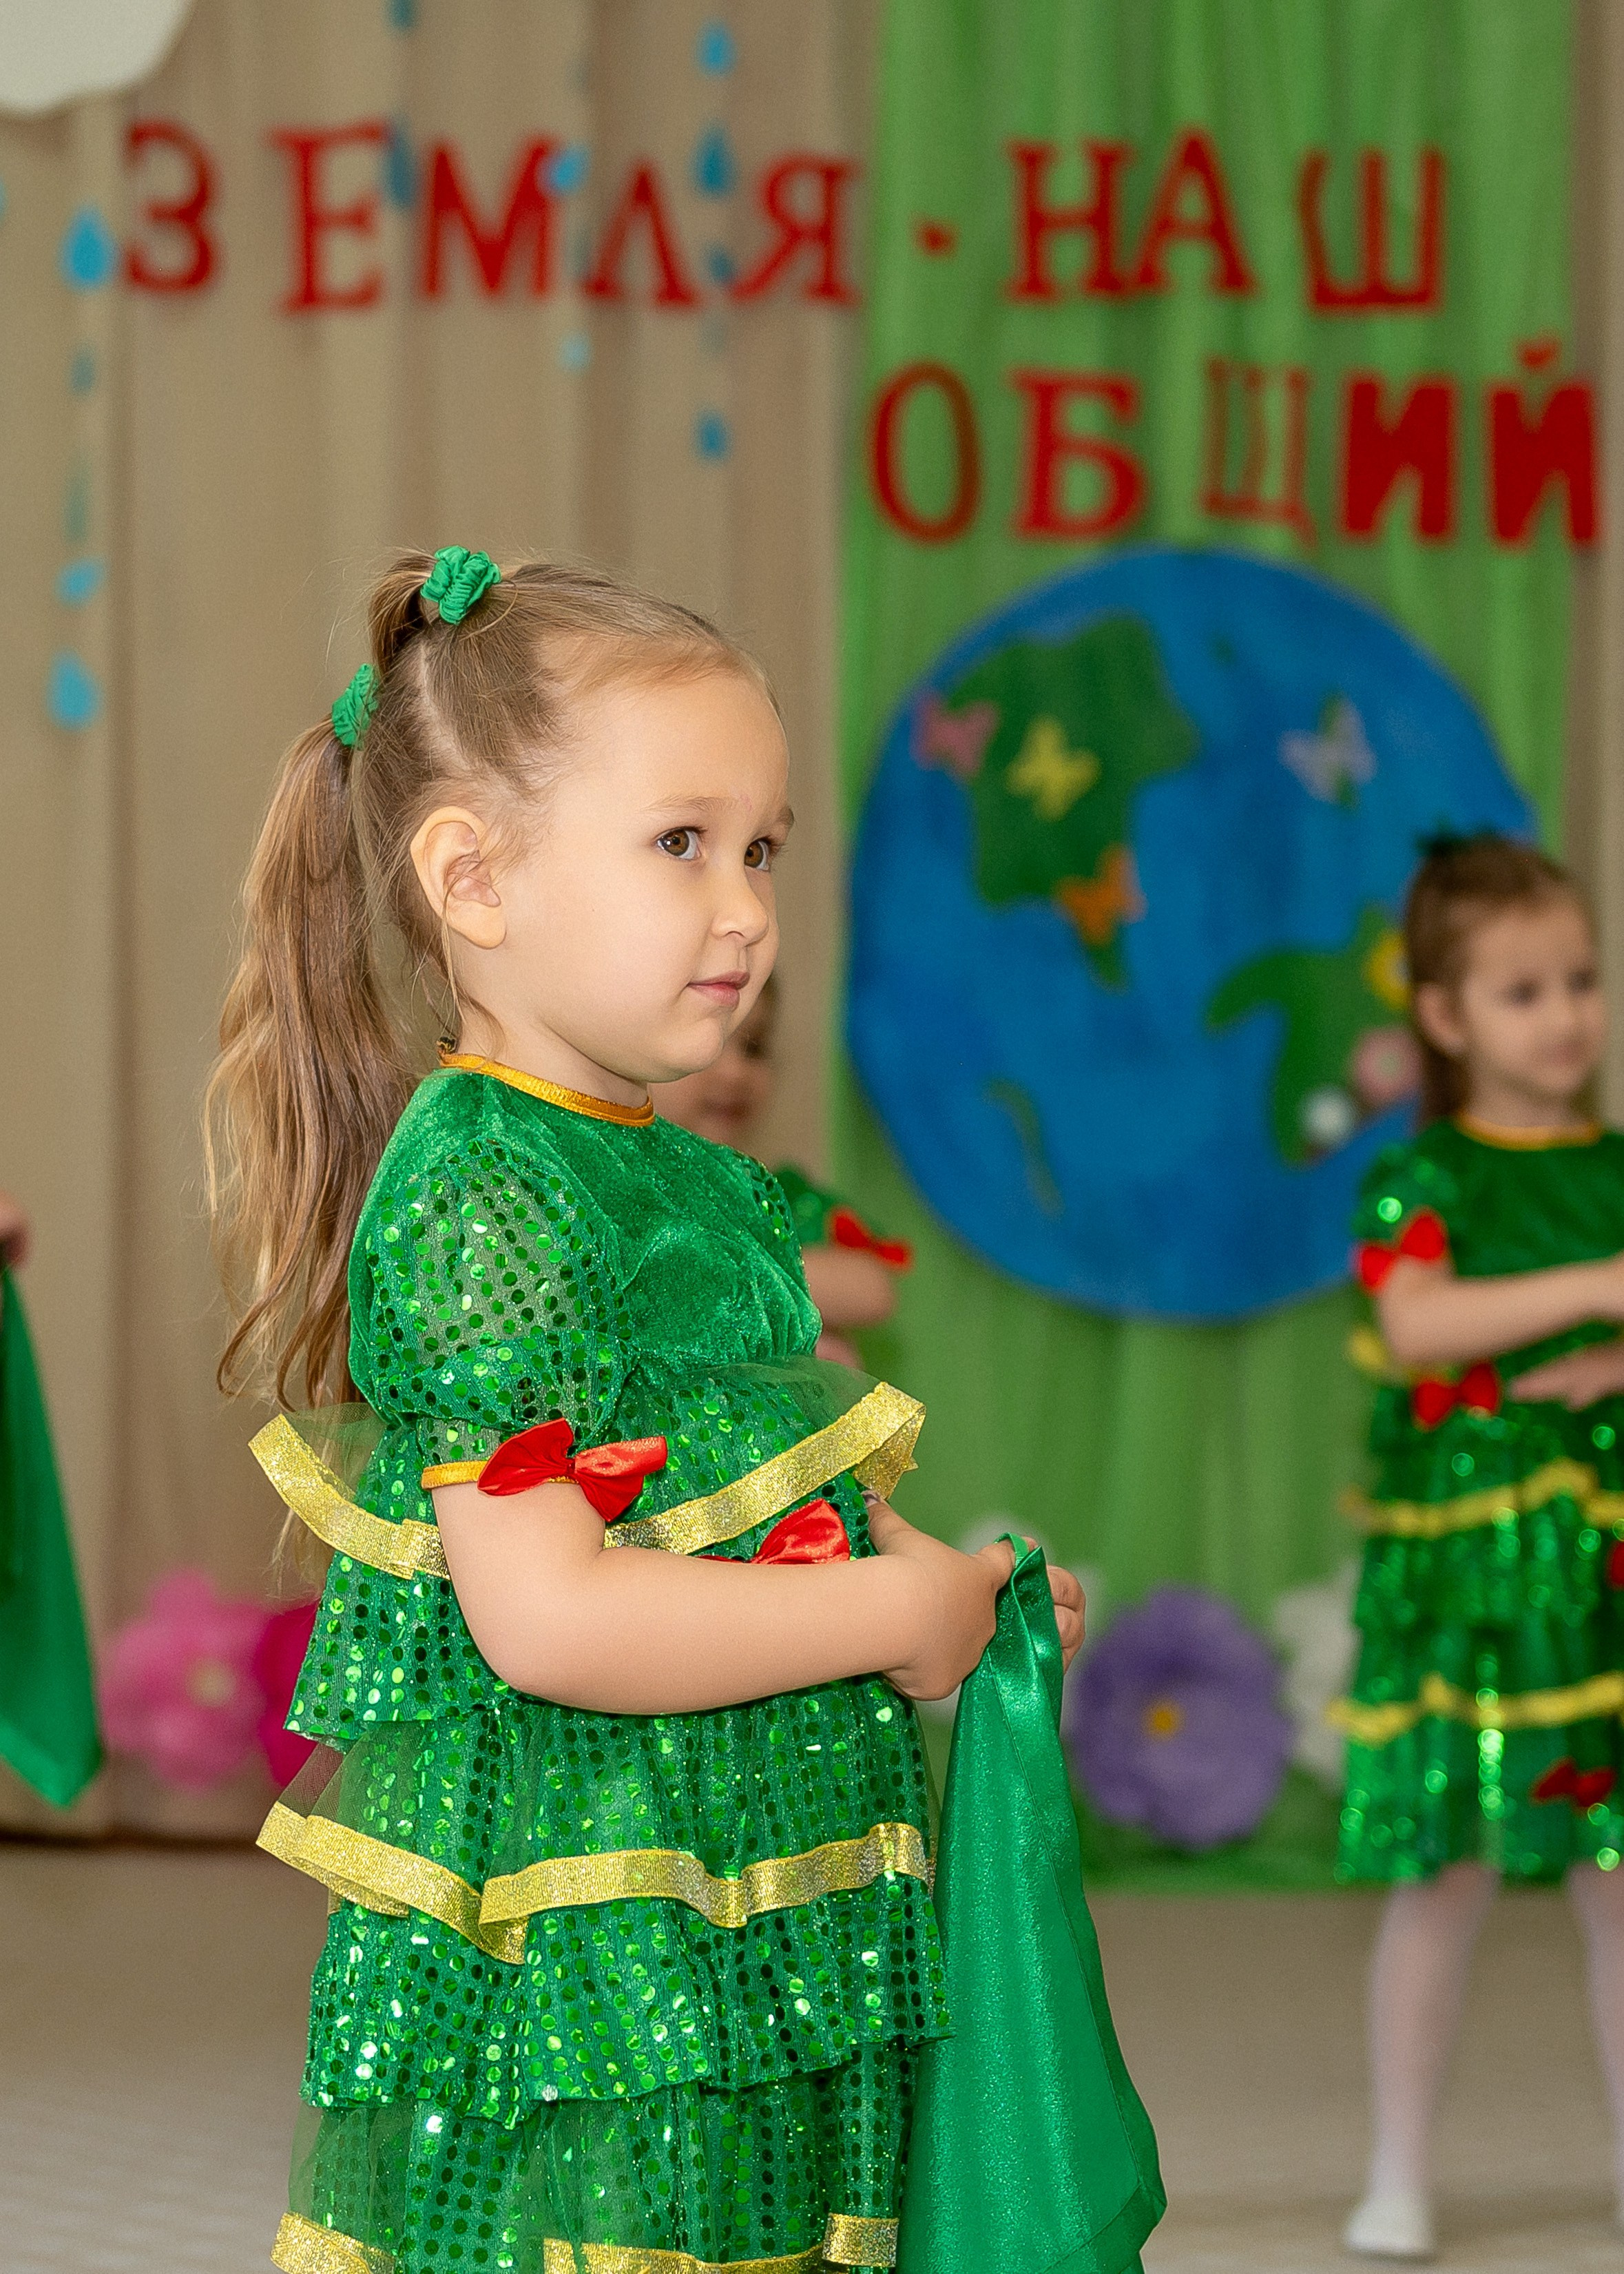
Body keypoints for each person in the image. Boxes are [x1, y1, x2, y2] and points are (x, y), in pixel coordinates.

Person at [207, 547, 1085, 2274]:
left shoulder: (707, 1188)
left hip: (749, 1875)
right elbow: (551, 1617)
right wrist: (891, 1608)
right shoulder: (485, 1191)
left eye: (762, 848)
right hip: (604, 1926)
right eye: (681, 841)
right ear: (474, 881)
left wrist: (961, 1591)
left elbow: (780, 1494)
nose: (745, 907)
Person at [1337, 834, 1624, 2260]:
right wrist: (1598, 1290)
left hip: (1603, 1589)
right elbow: (1419, 1326)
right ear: (1444, 1017)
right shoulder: (1424, 1175)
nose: (1565, 1015)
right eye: (1522, 991)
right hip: (1468, 1593)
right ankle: (1397, 2167)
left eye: (1580, 979)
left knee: (1616, 1883)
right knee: (1442, 1880)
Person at [656, 978, 908, 1367]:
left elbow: (873, 1291)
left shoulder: (769, 1197)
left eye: (753, 1047)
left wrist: (721, 1280)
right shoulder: (619, 1198)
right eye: (709, 1044)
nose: (735, 1072)